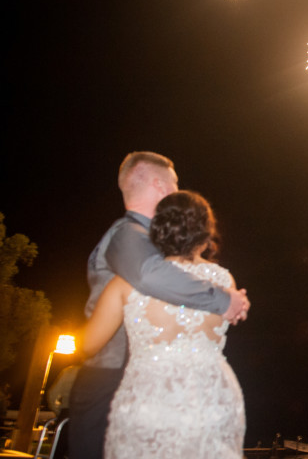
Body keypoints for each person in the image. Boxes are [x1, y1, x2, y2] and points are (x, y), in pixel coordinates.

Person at [69, 151, 250, 459]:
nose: (178, 189)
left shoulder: (155, 248)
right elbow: (150, 276)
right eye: (174, 182)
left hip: (155, 387)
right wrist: (223, 298)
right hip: (111, 376)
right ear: (159, 185)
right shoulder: (128, 234)